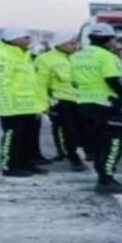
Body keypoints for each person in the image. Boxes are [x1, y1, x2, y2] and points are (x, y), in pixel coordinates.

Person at [70, 23, 122, 194]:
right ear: (109, 39)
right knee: (114, 143)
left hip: (83, 104)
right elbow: (112, 79)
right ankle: (106, 181)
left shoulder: (77, 56)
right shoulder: (107, 57)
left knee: (97, 143)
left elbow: (73, 81)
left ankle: (103, 177)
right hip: (106, 105)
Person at [0, 25, 46, 177]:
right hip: (13, 107)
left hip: (28, 106)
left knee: (27, 138)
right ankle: (9, 167)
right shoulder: (2, 55)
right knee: (12, 139)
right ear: (15, 39)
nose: (29, 40)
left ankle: (26, 164)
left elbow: (31, 81)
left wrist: (40, 104)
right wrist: (7, 105)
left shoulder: (22, 54)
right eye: (26, 37)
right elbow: (0, 83)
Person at [35, 32, 86, 171]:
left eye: (75, 43)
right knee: (67, 130)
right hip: (62, 101)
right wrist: (44, 104)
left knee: (83, 130)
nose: (74, 46)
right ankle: (73, 158)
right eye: (71, 43)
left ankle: (82, 152)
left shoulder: (79, 56)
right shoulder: (45, 59)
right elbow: (40, 84)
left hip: (83, 100)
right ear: (60, 44)